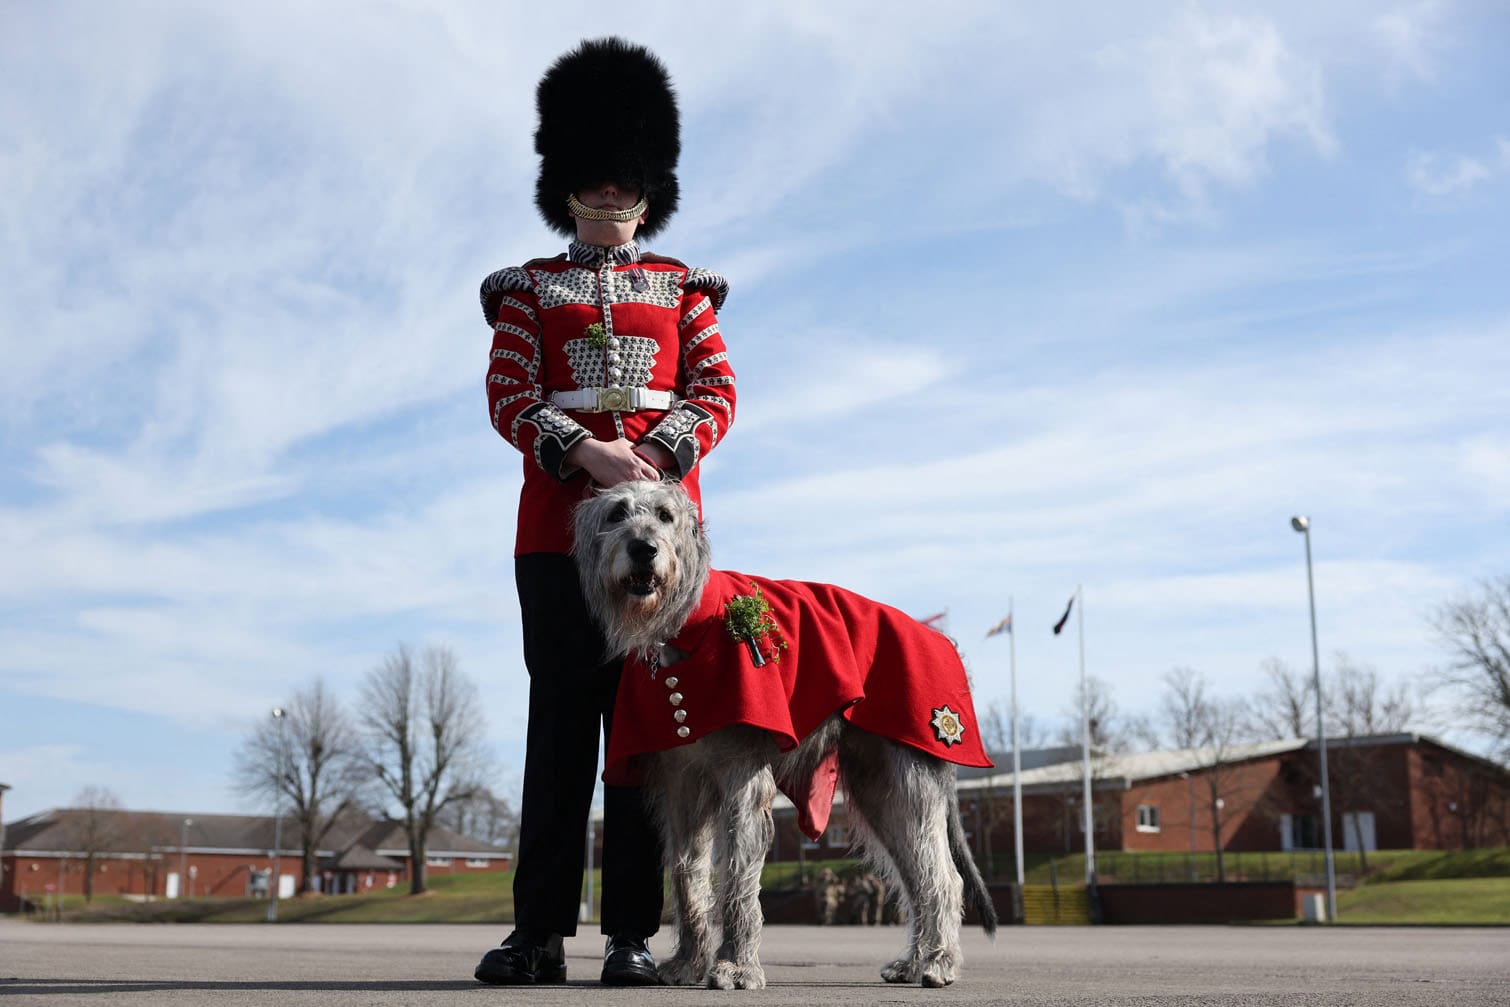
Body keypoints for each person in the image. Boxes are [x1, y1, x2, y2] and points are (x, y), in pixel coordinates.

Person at [472, 37, 736, 987]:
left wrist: (658, 456)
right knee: (559, 734)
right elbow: (509, 395)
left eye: (622, 182)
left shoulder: (685, 290)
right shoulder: (529, 291)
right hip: (557, 538)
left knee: (643, 738)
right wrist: (583, 450)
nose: (608, 198)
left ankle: (630, 931)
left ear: (645, 188)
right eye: (593, 182)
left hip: (663, 538)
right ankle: (538, 931)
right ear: (568, 188)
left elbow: (716, 389)